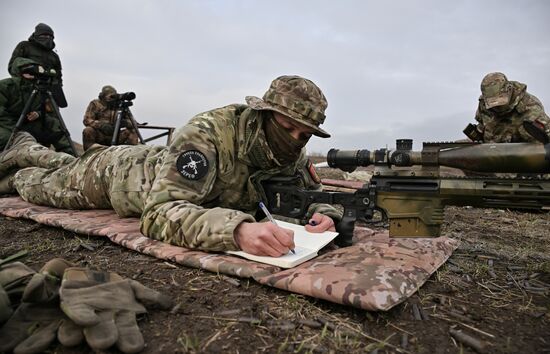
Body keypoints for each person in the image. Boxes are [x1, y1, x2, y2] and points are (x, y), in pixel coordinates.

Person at [0, 75, 342, 257]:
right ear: (264, 116)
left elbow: (310, 192)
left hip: (141, 168)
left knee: (63, 163)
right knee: (38, 185)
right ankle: (22, 155)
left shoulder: (292, 150)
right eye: (286, 128)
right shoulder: (210, 131)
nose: (295, 139)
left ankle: (27, 147)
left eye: (304, 133)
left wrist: (324, 213)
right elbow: (159, 212)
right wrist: (237, 231)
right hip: (116, 177)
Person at [0, 57, 73, 154]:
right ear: (18, 71)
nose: (30, 74)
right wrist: (17, 131)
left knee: (53, 123)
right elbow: (1, 115)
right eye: (26, 71)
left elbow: (49, 112)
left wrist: (38, 113)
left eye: (32, 71)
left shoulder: (38, 89)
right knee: (6, 139)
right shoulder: (5, 86)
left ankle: (70, 156)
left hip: (27, 123)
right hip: (5, 125)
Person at [463, 72, 550, 143]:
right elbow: (482, 128)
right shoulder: (484, 105)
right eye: (492, 102)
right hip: (490, 156)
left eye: (500, 100)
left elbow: (545, 141)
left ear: (509, 90)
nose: (497, 106)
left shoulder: (530, 108)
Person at [8, 23, 67, 108]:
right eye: (45, 35)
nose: (48, 38)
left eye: (51, 37)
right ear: (37, 35)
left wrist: (56, 93)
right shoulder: (25, 46)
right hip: (25, 89)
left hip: (46, 92)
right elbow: (12, 65)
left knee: (53, 119)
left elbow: (58, 77)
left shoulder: (54, 56)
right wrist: (23, 74)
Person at [82, 85, 140, 151]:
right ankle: (89, 155)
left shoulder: (119, 105)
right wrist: (101, 125)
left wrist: (125, 123)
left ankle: (129, 154)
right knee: (88, 130)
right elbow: (87, 120)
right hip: (100, 135)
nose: (111, 99)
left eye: (113, 96)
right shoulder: (95, 104)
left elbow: (134, 123)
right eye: (110, 96)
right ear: (103, 96)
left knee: (132, 131)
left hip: (116, 135)